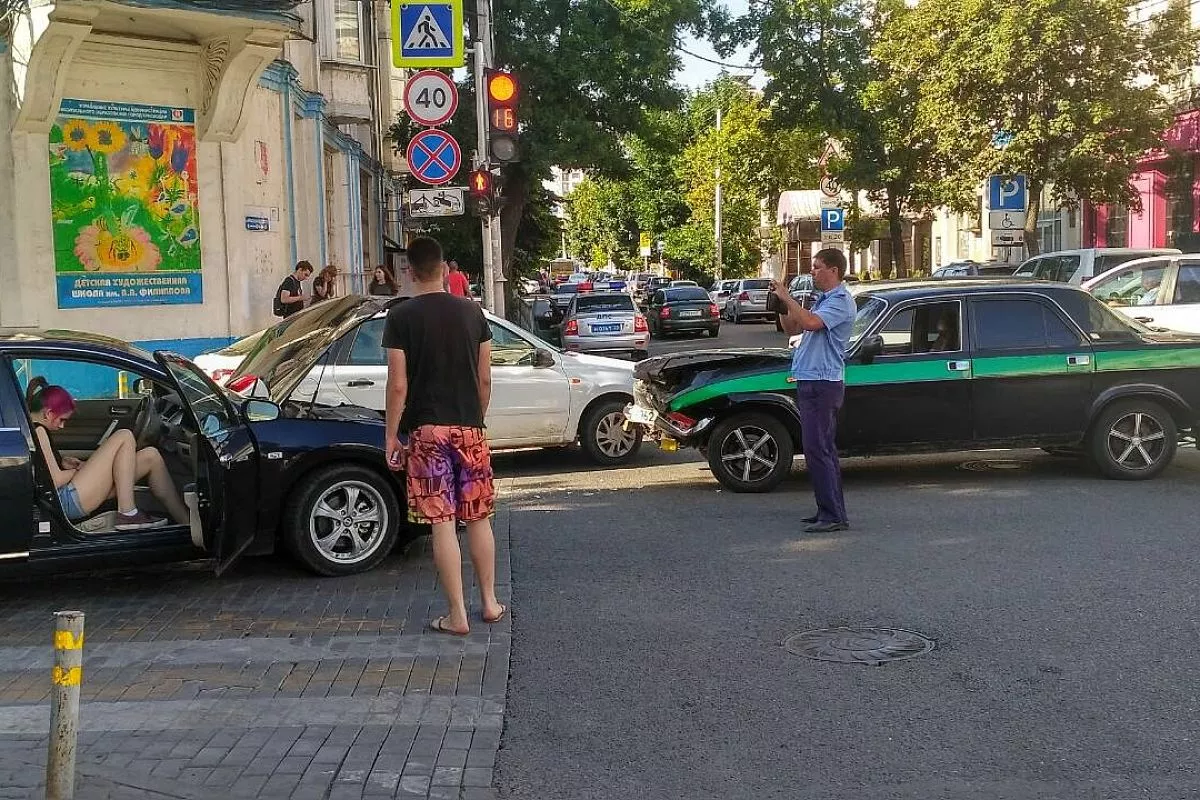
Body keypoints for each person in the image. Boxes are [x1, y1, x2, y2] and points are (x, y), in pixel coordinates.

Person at [383, 236, 504, 635]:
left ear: (410, 271)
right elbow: (485, 378)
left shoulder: (400, 317)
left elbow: (398, 384)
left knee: (442, 521)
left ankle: (457, 615)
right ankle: (490, 602)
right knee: (479, 517)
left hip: (427, 431)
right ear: (444, 269)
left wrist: (392, 436)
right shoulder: (473, 312)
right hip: (470, 427)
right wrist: (475, 418)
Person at [27, 378, 189, 530]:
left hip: (67, 498)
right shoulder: (39, 431)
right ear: (48, 413)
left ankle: (187, 524)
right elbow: (54, 480)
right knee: (124, 436)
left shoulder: (32, 429)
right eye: (62, 419)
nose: (62, 426)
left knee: (151, 456)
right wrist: (79, 470)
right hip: (65, 501)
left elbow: (43, 469)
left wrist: (64, 463)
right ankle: (128, 513)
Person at [771, 248, 857, 533]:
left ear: (833, 270)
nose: (812, 272)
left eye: (817, 267)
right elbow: (794, 327)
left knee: (818, 449)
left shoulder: (841, 301)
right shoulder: (824, 299)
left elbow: (810, 322)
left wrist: (788, 297)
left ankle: (832, 516)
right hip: (812, 379)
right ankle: (828, 510)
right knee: (820, 450)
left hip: (823, 382)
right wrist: (782, 305)